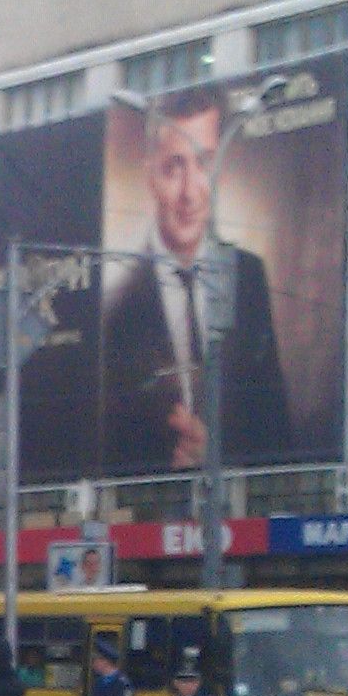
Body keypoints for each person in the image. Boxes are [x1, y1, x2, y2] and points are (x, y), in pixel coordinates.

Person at [97, 83, 292, 475]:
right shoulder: (115, 304)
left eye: (203, 162)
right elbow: (102, 449)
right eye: (173, 167)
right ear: (150, 174)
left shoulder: (248, 276)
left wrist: (218, 453)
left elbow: (276, 428)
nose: (190, 193)